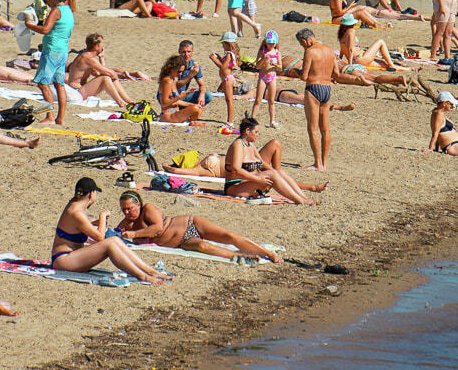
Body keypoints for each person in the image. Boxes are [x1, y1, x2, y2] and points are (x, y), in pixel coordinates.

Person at [50, 179, 170, 284]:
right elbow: (100, 238)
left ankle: (148, 270)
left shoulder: (74, 204)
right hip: (64, 261)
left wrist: (97, 222)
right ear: (92, 194)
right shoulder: (77, 212)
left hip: (69, 257)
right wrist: (102, 217)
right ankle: (142, 275)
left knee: (115, 240)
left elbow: (75, 226)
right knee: (110, 243)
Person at [117, 190, 281, 263]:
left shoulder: (148, 209)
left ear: (138, 204)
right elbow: (112, 233)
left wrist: (133, 235)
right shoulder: (129, 223)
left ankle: (269, 254)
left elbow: (158, 228)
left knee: (229, 236)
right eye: (123, 209)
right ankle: (239, 256)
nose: (126, 212)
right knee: (203, 246)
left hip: (190, 223)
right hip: (182, 242)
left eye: (129, 208)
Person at [224, 117, 320, 204]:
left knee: (278, 171)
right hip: (235, 187)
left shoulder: (251, 145)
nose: (258, 135)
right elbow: (236, 169)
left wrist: (276, 173)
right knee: (273, 173)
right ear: (247, 131)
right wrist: (259, 179)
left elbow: (261, 163)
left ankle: (304, 197)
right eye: (256, 132)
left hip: (249, 184)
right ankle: (299, 200)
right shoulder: (238, 145)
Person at [25, 0, 74, 125]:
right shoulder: (68, 10)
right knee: (60, 84)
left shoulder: (56, 10)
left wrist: (30, 25)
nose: (48, 3)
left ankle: (50, 116)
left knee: (43, 83)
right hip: (63, 50)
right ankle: (60, 118)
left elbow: (46, 29)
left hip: (52, 50)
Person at [297, 28, 339, 173]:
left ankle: (317, 164)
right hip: (326, 90)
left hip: (313, 89)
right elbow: (337, 74)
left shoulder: (309, 51)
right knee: (325, 128)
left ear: (304, 41)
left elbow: (304, 76)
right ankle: (324, 164)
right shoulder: (329, 50)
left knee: (313, 128)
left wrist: (297, 72)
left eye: (302, 44)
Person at [65, 34, 137, 105]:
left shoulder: (86, 57)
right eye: (102, 44)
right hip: (76, 92)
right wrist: (114, 75)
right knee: (106, 78)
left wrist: (101, 58)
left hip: (80, 90)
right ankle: (121, 102)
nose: (103, 46)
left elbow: (101, 74)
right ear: (97, 46)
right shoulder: (88, 58)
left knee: (107, 77)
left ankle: (129, 101)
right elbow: (108, 74)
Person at [157, 55, 204, 124]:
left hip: (175, 113)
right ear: (171, 69)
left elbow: (175, 101)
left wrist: (190, 104)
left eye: (182, 72)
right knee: (195, 109)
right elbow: (164, 103)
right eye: (179, 71)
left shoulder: (173, 79)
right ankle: (193, 122)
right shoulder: (167, 81)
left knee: (198, 108)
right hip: (168, 115)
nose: (180, 74)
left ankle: (192, 122)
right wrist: (180, 97)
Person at [211, 31, 242, 130]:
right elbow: (225, 65)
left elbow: (223, 68)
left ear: (228, 44)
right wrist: (219, 58)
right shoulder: (230, 54)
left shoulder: (229, 54)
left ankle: (230, 122)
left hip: (228, 79)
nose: (222, 46)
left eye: (223, 44)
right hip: (227, 78)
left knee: (229, 100)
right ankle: (229, 121)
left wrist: (214, 60)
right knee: (228, 100)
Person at [174, 39, 211, 106]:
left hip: (182, 96)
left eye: (188, 52)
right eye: (183, 52)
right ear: (179, 51)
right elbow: (174, 86)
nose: (186, 55)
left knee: (207, 95)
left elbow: (202, 85)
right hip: (171, 97)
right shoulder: (174, 64)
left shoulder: (194, 65)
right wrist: (190, 75)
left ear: (192, 52)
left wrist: (201, 95)